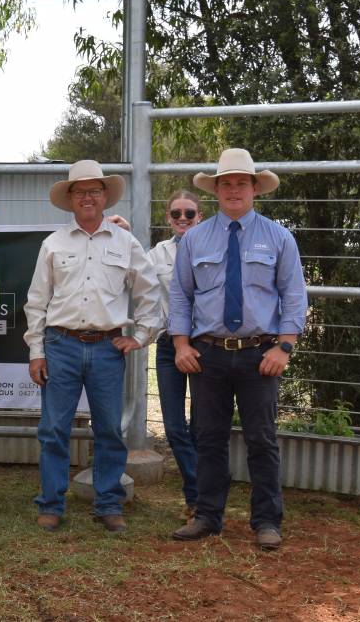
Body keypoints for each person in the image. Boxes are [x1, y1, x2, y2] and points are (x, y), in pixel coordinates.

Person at [170, 149, 307, 551]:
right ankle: (208, 516)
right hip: (208, 355)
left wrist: (284, 347)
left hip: (259, 355)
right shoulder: (195, 239)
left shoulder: (278, 237)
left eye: (241, 183)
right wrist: (181, 343)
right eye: (225, 183)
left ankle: (267, 520)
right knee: (208, 437)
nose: (233, 190)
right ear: (215, 190)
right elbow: (180, 294)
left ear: (254, 189)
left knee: (262, 439)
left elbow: (294, 295)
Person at [24, 159, 161, 533]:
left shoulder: (125, 242)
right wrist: (37, 352)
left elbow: (149, 290)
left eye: (94, 190)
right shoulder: (53, 244)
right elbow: (37, 302)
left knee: (109, 429)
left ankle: (108, 503)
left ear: (105, 197)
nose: (87, 197)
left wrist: (141, 335)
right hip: (60, 346)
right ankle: (51, 504)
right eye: (80, 191)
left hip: (107, 348)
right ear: (70, 199)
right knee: (54, 429)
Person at [148, 190, 203, 520]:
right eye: (176, 214)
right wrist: (121, 231)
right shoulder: (159, 253)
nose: (182, 219)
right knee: (173, 426)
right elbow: (136, 274)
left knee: (202, 426)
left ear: (200, 215)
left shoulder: (212, 246)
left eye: (189, 213)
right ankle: (199, 493)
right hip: (169, 346)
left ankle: (197, 499)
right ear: (168, 218)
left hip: (204, 346)